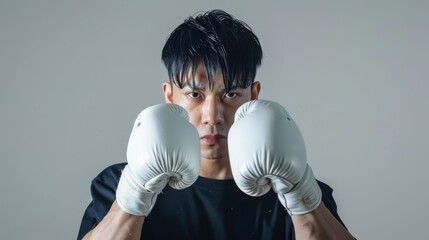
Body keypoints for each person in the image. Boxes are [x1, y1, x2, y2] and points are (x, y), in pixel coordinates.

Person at [78, 9, 355, 240]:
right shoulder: (117, 185)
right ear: (170, 96)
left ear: (254, 96)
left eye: (231, 94)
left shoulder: (298, 187)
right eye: (195, 95)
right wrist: (134, 195)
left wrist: (300, 197)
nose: (213, 115)